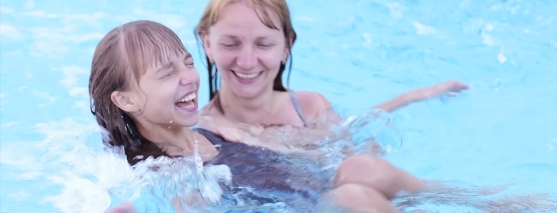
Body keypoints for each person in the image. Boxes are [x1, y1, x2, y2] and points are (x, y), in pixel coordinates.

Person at [90, 20, 432, 213]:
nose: (189, 77)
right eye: (167, 74)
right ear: (126, 99)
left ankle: (470, 204)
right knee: (354, 197)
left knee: (362, 168)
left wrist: (404, 100)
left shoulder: (211, 129)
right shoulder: (164, 170)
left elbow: (319, 144)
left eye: (188, 62)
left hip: (309, 194)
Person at [194, 0, 469, 145]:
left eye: (264, 44)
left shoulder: (310, 107)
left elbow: (351, 139)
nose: (246, 61)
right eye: (231, 44)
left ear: (286, 47)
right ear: (207, 44)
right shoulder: (201, 128)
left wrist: (412, 97)